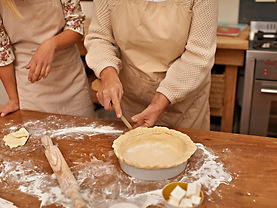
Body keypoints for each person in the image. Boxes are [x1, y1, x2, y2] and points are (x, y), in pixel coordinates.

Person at [84, 0, 218, 130]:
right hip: (131, 96)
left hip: (184, 102)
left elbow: (199, 55)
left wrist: (160, 101)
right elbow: (100, 38)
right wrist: (108, 73)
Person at [0, 0, 94, 120]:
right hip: (29, 82)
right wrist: (13, 100)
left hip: (70, 77)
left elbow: (76, 27)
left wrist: (50, 44)